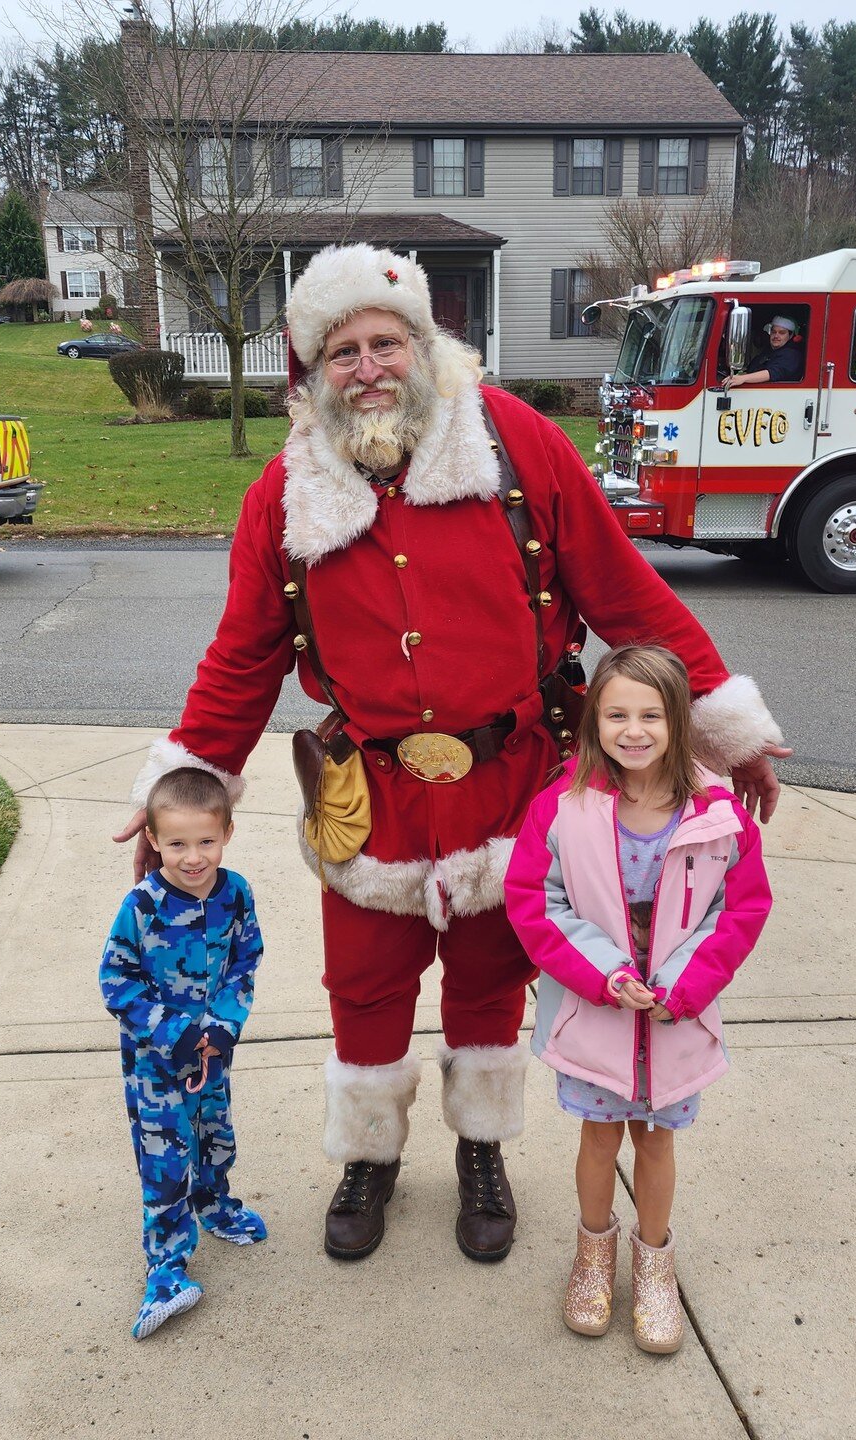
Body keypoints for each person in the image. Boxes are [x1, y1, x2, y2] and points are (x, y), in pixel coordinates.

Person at [115, 242, 788, 1267]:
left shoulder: (516, 446)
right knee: (366, 984)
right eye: (343, 352)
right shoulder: (282, 495)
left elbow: (623, 595)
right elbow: (242, 655)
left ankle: (481, 1150)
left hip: (512, 784)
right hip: (366, 796)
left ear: (426, 346)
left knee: (488, 978)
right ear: (310, 371)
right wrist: (178, 789)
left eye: (388, 342)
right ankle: (371, 1155)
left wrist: (725, 728)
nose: (370, 366)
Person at [505, 645, 771, 1352]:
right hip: (597, 1012)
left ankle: (655, 1262)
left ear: (678, 719)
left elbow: (740, 911)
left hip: (677, 1016)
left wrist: (685, 985)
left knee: (656, 1141)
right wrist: (600, 974)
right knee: (598, 1140)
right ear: (594, 718)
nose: (634, 730)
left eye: (651, 714)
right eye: (617, 713)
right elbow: (536, 900)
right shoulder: (562, 809)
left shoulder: (717, 814)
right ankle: (594, 1254)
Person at [101, 767, 266, 1340]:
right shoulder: (143, 905)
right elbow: (116, 980)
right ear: (152, 839)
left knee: (215, 1132)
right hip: (156, 1061)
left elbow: (245, 964)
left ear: (227, 833)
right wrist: (174, 1034)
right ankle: (166, 1270)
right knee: (166, 1159)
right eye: (176, 843)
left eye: (205, 841)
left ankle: (216, 1203)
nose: (193, 857)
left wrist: (222, 1029)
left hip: (213, 1056)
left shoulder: (236, 893)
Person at [723, 313, 803, 388]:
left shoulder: (792, 354)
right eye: (773, 332)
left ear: (791, 335)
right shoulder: (768, 351)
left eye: (782, 333)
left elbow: (772, 373)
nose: (776, 336)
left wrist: (743, 378)